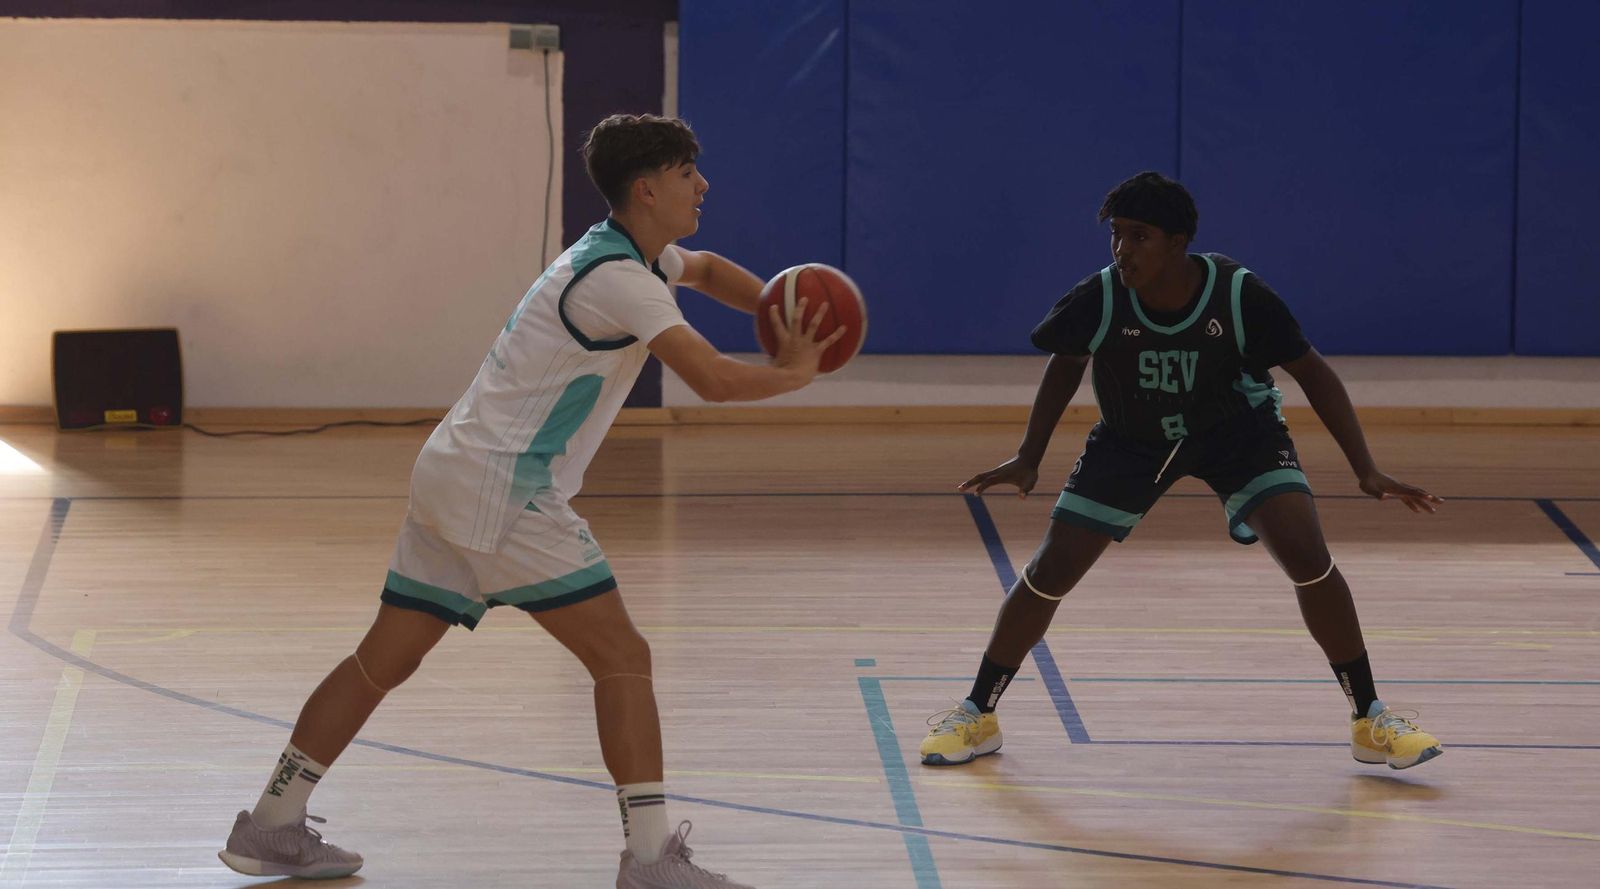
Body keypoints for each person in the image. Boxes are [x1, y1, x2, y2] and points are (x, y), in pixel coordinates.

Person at [219, 113, 844, 887]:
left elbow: (710, 269)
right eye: (689, 174)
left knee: (382, 659)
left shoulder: (629, 251)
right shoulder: (618, 280)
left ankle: (272, 824)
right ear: (646, 189)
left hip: (453, 468)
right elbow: (711, 379)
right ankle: (651, 861)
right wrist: (794, 373)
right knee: (622, 656)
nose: (704, 185)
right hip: (502, 489)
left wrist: (780, 312)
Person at [920, 171, 1443, 773]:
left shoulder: (1239, 294)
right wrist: (1029, 455)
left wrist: (1366, 469)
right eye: (1116, 235)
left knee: (1306, 553)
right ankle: (977, 713)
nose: (1123, 250)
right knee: (1050, 570)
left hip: (1236, 435)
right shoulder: (1102, 296)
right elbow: (1065, 366)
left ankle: (1369, 717)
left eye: (1138, 236)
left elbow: (1313, 371)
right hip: (1132, 441)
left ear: (1178, 241)